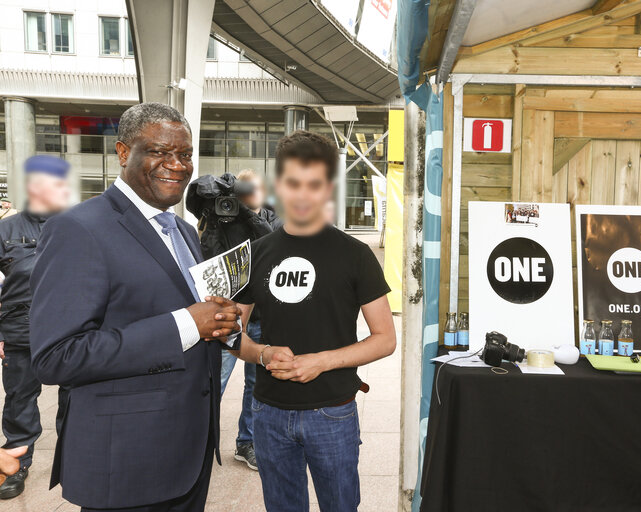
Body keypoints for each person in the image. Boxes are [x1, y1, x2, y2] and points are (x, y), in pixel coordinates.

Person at [29, 103, 242, 512]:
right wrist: (186, 324)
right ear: (124, 153)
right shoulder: (77, 228)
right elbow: (56, 357)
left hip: (189, 457)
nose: (176, 165)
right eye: (160, 151)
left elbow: (176, 311)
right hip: (127, 463)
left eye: (185, 154)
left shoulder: (181, 229)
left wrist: (216, 319)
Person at [233, 131, 397, 512]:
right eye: (292, 183)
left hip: (333, 412)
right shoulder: (256, 254)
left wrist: (321, 361)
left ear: (329, 188)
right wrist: (263, 353)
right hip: (268, 413)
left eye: (314, 185)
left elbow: (385, 338)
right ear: (277, 184)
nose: (302, 195)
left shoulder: (356, 255)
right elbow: (231, 335)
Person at [0, 155, 71, 500]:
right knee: (20, 399)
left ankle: (73, 456)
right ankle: (17, 460)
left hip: (69, 331)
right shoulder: (5, 230)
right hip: (18, 331)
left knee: (73, 396)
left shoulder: (76, 226)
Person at [219, 169, 281, 471]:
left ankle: (247, 443)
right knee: (215, 379)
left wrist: (253, 215)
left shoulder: (274, 218)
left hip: (264, 318)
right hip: (232, 314)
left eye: (254, 188)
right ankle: (198, 441)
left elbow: (275, 248)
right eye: (244, 189)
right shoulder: (226, 220)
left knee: (255, 385)